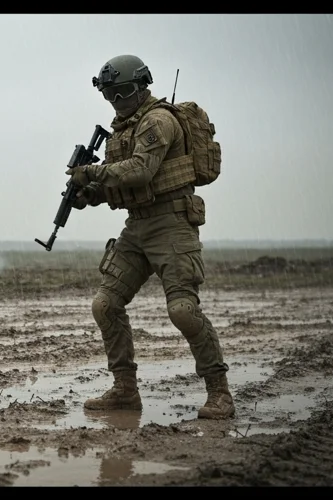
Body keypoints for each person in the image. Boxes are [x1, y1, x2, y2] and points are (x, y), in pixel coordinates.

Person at [65, 54, 234, 420]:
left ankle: (219, 393)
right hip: (137, 227)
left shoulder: (158, 121)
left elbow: (141, 172)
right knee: (105, 304)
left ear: (142, 86)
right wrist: (88, 195)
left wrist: (90, 172)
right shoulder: (123, 130)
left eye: (124, 91)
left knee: (183, 311)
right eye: (110, 94)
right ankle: (125, 391)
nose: (118, 100)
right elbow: (122, 187)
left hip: (172, 224)